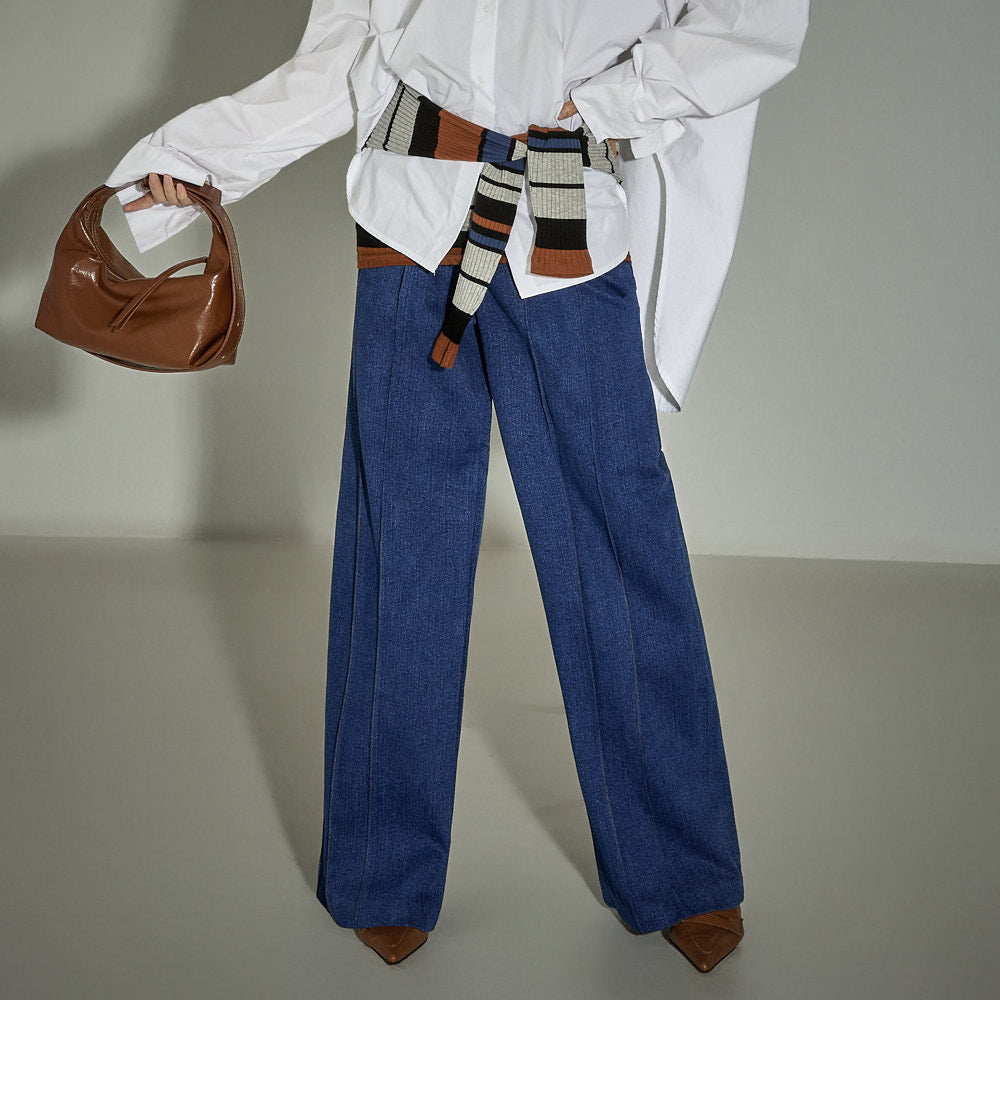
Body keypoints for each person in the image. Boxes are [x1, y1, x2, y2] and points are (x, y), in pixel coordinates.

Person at [106, 0, 810, 972]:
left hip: (565, 210)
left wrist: (612, 102)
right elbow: (346, 55)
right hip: (411, 216)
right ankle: (381, 867)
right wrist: (196, 161)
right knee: (401, 538)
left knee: (621, 535)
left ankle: (681, 867)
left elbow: (755, 22)